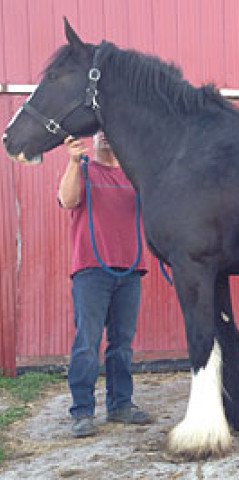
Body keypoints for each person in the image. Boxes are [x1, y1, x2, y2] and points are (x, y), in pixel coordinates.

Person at [58, 132, 151, 438]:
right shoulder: (83, 169)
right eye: (99, 131)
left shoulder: (134, 175)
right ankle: (82, 412)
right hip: (91, 270)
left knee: (122, 343)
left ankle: (120, 404)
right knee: (87, 342)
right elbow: (68, 200)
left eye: (110, 130)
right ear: (93, 138)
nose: (105, 135)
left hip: (130, 270)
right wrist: (72, 162)